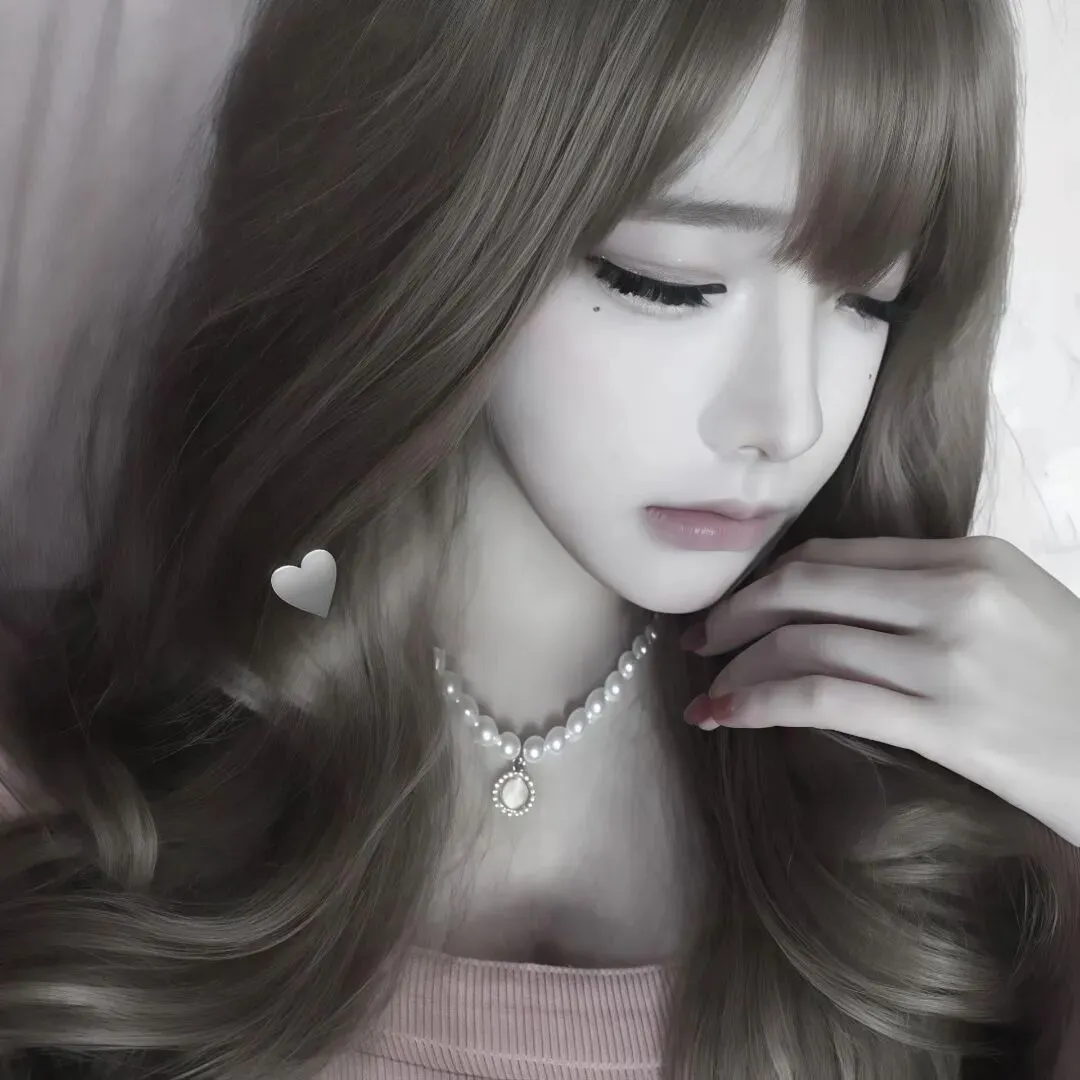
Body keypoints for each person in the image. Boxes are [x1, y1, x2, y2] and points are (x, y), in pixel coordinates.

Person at [1, 0, 1079, 1077]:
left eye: (872, 299)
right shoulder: (69, 784)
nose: (789, 419)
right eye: (670, 281)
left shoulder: (950, 824)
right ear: (422, 218)